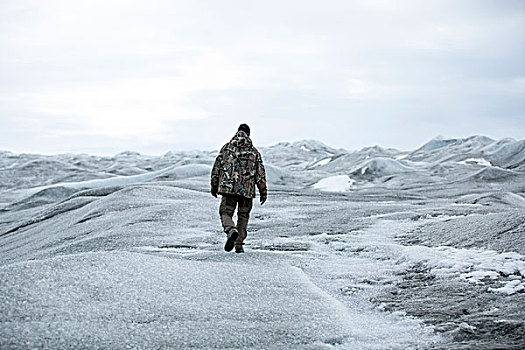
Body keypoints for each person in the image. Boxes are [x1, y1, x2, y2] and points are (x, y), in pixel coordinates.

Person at [210, 124, 267, 253]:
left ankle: (231, 230)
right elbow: (260, 174)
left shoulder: (227, 148)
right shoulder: (254, 152)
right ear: (249, 134)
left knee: (225, 212)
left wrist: (214, 185)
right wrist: (263, 191)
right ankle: (239, 245)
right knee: (243, 215)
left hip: (229, 188)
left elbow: (217, 167)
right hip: (247, 190)